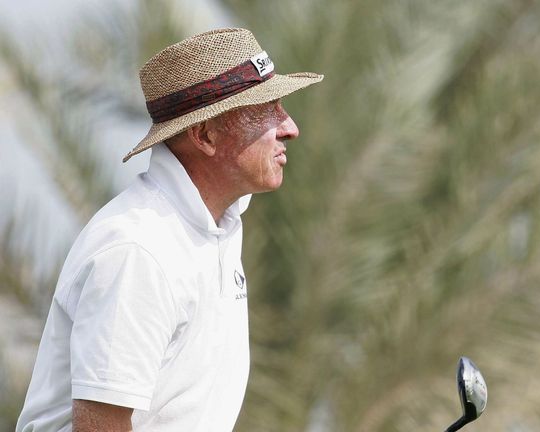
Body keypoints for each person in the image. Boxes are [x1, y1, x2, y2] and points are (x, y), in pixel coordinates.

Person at [16, 28, 323, 432]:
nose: (290, 128)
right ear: (205, 136)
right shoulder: (138, 250)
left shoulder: (214, 225)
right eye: (266, 108)